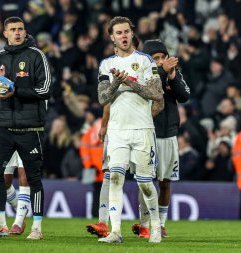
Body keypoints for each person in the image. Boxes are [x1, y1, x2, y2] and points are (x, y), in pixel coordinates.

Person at [0, 16, 51, 240]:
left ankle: (37, 227)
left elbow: (45, 89)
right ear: (5, 33)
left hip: (31, 128)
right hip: (5, 127)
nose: (17, 33)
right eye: (12, 29)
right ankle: (0, 222)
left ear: (24, 31)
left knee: (34, 177)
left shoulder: (36, 55)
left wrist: (15, 91)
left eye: (20, 29)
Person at [96, 16, 164, 243]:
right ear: (112, 37)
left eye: (126, 32)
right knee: (115, 177)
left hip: (142, 129)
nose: (123, 36)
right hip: (117, 131)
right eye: (119, 33)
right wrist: (117, 82)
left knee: (145, 184)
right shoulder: (106, 64)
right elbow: (102, 97)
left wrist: (130, 82)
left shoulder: (145, 61)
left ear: (132, 33)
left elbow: (156, 93)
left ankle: (155, 226)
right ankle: (115, 231)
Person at [131, 39, 190, 238]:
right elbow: (150, 91)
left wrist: (173, 77)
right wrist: (163, 71)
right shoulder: (143, 74)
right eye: (156, 58)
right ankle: (145, 223)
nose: (160, 61)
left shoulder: (173, 74)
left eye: (163, 57)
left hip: (169, 136)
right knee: (146, 181)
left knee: (165, 182)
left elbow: (184, 96)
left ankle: (161, 224)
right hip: (149, 133)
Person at [0, 99, 31, 235]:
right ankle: (20, 208)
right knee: (4, 181)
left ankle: (18, 221)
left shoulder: (31, 79)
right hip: (8, 134)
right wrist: (6, 95)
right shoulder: (5, 82)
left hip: (28, 132)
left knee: (24, 176)